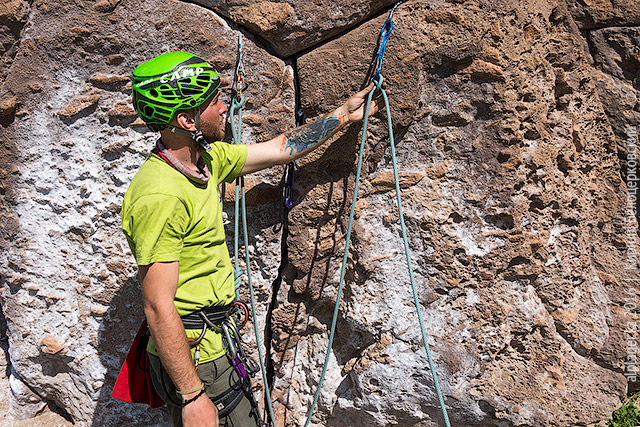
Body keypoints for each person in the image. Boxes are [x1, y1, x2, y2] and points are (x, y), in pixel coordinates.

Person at [121, 51, 385, 427]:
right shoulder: (160, 195)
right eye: (214, 101)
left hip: (212, 344)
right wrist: (194, 397)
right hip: (198, 359)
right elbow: (158, 306)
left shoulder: (204, 162)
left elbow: (279, 149)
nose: (224, 106)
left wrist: (344, 114)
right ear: (185, 119)